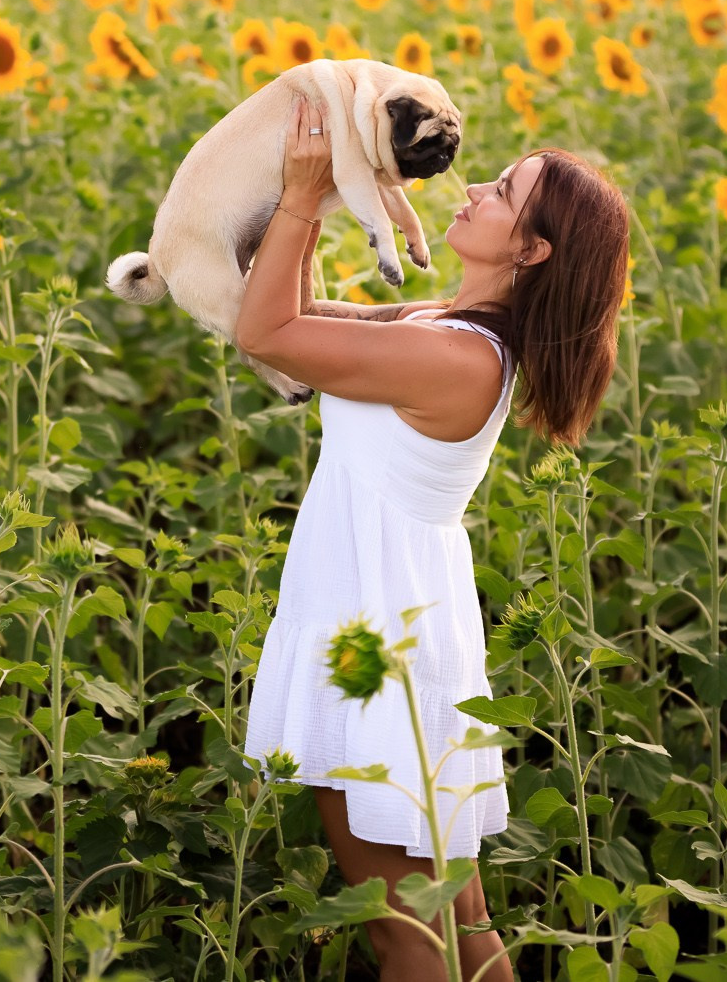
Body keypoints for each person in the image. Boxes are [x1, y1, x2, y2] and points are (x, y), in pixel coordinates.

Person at [236, 93, 631, 982]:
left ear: (530, 250)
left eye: (500, 192)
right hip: (406, 619)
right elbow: (301, 312)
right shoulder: (445, 330)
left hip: (380, 635)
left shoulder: (452, 355)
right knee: (460, 916)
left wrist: (302, 198)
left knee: (402, 930)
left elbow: (267, 332)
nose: (471, 189)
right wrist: (331, 185)